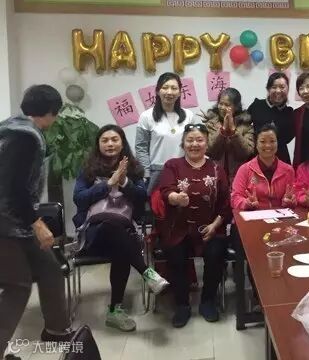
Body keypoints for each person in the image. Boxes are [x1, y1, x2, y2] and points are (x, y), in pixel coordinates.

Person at [0, 85, 74, 355]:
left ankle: (56, 330)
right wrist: (38, 223)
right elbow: (15, 187)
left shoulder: (9, 127)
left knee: (50, 268)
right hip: (6, 223)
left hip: (17, 220)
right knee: (17, 286)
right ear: (52, 112)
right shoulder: (27, 137)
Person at [73, 125, 169, 332]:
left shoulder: (134, 170)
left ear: (122, 143)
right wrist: (108, 184)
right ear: (98, 145)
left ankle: (115, 311)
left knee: (121, 244)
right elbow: (79, 199)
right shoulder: (88, 170)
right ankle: (146, 273)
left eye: (114, 139)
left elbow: (142, 199)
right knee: (117, 233)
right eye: (105, 140)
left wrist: (124, 181)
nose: (110, 144)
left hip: (123, 233)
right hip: (94, 234)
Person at [159, 124, 231, 327]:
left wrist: (215, 225)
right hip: (179, 229)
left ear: (207, 143)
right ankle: (182, 304)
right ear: (183, 144)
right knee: (175, 255)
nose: (194, 144)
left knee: (216, 254)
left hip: (210, 228)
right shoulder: (172, 165)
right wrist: (175, 197)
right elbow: (165, 190)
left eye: (199, 140)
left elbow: (226, 203)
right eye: (190, 140)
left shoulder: (216, 168)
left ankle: (208, 301)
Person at [136, 72, 198, 194]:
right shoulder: (146, 116)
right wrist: (146, 173)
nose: (169, 92)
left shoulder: (189, 116)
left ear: (180, 92)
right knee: (155, 203)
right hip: (156, 171)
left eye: (174, 88)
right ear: (157, 91)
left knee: (183, 203)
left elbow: (192, 145)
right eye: (165, 87)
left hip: (183, 170)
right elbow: (141, 147)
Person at [231, 124, 296, 210]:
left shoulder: (288, 170)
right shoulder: (245, 169)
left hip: (280, 216)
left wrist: (290, 202)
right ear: (256, 144)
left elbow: (293, 197)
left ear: (277, 143)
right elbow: (235, 197)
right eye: (263, 141)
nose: (268, 145)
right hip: (253, 216)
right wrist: (246, 203)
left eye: (272, 141)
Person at [199, 87, 254, 184]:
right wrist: (222, 131)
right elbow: (208, 150)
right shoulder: (211, 123)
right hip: (214, 175)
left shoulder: (246, 125)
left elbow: (246, 153)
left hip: (239, 175)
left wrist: (233, 131)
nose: (222, 107)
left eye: (227, 105)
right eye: (221, 103)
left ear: (236, 107)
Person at [248, 72, 295, 165]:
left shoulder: (289, 112)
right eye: (274, 87)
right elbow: (244, 126)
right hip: (256, 155)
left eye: (282, 87)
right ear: (268, 89)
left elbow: (288, 138)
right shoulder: (257, 105)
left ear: (288, 89)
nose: (278, 91)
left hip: (280, 158)